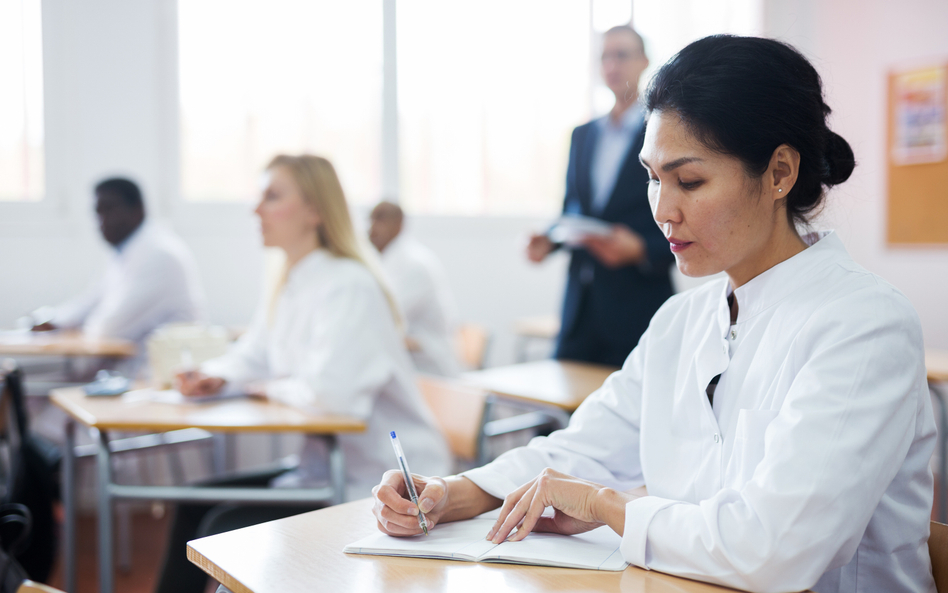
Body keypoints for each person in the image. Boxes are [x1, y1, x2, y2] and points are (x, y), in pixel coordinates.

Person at [370, 35, 936, 593]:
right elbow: (584, 447)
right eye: (652, 177)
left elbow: (775, 549)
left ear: (779, 174)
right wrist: (453, 492)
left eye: (690, 181)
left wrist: (605, 505)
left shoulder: (864, 324)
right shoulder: (681, 322)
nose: (663, 210)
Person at [155, 155, 450, 593]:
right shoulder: (291, 278)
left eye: (272, 196)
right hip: (324, 465)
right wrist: (216, 375)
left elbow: (334, 398)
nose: (256, 210)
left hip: (382, 483)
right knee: (194, 503)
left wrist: (260, 387)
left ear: (315, 211)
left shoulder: (348, 284)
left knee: (218, 523)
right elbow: (255, 353)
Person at [526, 25, 674, 367]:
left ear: (644, 62)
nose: (612, 65)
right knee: (567, 413)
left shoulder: (664, 132)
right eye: (605, 56)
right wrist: (550, 240)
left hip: (637, 305)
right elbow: (573, 211)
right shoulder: (583, 135)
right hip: (581, 307)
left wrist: (641, 249)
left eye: (621, 55)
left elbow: (682, 212)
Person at [32, 177, 205, 374]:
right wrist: (54, 320)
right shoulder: (126, 252)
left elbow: (107, 329)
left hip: (158, 374)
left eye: (110, 209)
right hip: (128, 369)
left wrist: (77, 325)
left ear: (138, 210)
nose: (102, 221)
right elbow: (91, 300)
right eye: (98, 212)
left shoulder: (159, 254)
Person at [369, 200, 461, 377]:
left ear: (399, 225)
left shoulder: (415, 265)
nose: (372, 228)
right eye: (371, 220)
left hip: (430, 367)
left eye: (380, 220)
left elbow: (386, 316)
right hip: (408, 363)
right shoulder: (384, 262)